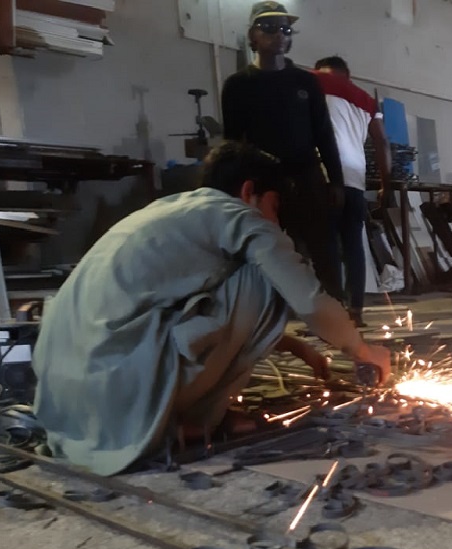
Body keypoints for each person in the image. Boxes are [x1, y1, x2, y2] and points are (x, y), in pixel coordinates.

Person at [32, 141, 392, 477]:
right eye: (274, 207)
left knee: (261, 271)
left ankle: (169, 415)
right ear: (249, 191)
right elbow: (309, 299)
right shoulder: (237, 215)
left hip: (72, 406)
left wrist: (295, 345)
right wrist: (362, 350)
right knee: (270, 273)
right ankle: (189, 420)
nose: (274, 221)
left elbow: (166, 310)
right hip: (121, 402)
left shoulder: (172, 211)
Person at [221, 2, 345, 300]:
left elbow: (324, 134)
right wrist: (233, 190)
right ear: (252, 35)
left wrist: (336, 181)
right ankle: (266, 313)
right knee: (264, 249)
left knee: (324, 248)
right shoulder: (238, 85)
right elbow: (233, 142)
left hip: (306, 175)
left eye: (285, 29)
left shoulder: (305, 83)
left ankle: (337, 311)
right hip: (263, 180)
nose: (278, 34)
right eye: (269, 28)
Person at [315, 55, 391, 327]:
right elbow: (382, 142)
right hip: (355, 180)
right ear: (347, 74)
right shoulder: (366, 100)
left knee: (325, 248)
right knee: (353, 247)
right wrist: (385, 185)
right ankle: (355, 312)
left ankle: (331, 316)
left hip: (324, 177)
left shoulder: (312, 83)